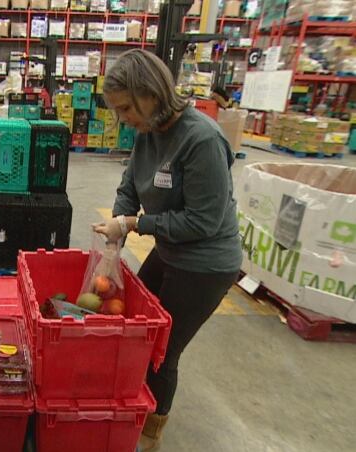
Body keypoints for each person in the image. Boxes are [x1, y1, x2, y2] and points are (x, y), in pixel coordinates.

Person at [92, 49, 241, 452]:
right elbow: (129, 186)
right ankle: (129, 409)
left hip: (206, 264)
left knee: (160, 352)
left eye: (126, 108)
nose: (124, 119)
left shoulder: (202, 139)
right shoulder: (148, 134)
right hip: (171, 251)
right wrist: (118, 228)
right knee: (134, 331)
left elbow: (202, 222)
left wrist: (137, 224)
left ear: (151, 94)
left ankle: (147, 436)